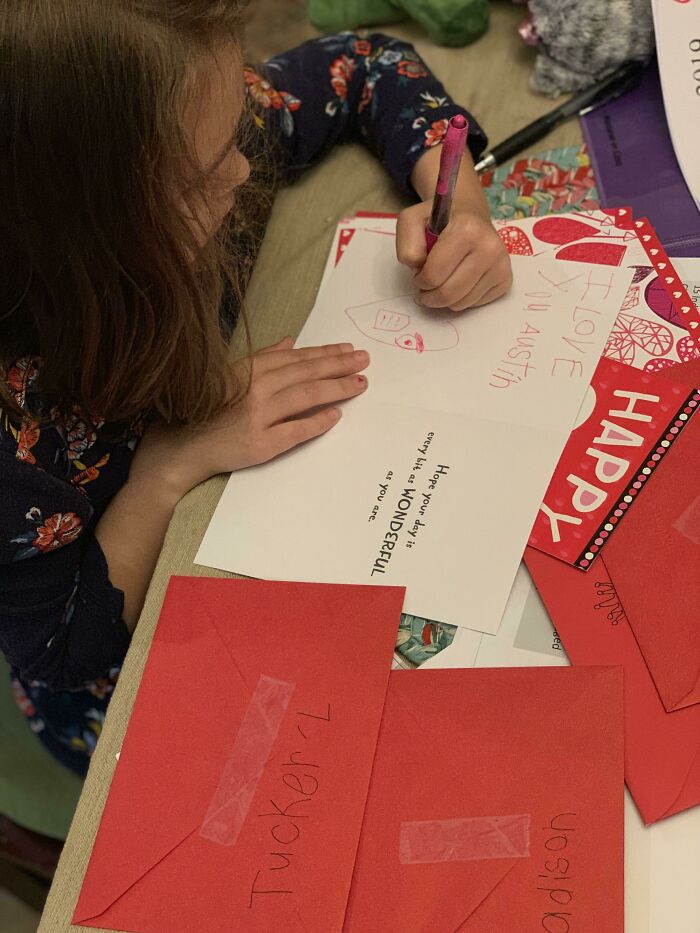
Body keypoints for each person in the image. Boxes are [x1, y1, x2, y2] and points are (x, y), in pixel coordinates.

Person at [0, 1, 511, 774]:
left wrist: (459, 202)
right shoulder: (15, 436)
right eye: (203, 176)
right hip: (120, 678)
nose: (244, 169)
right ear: (79, 236)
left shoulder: (187, 119)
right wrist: (167, 467)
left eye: (238, 128)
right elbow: (66, 652)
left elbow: (366, 64)